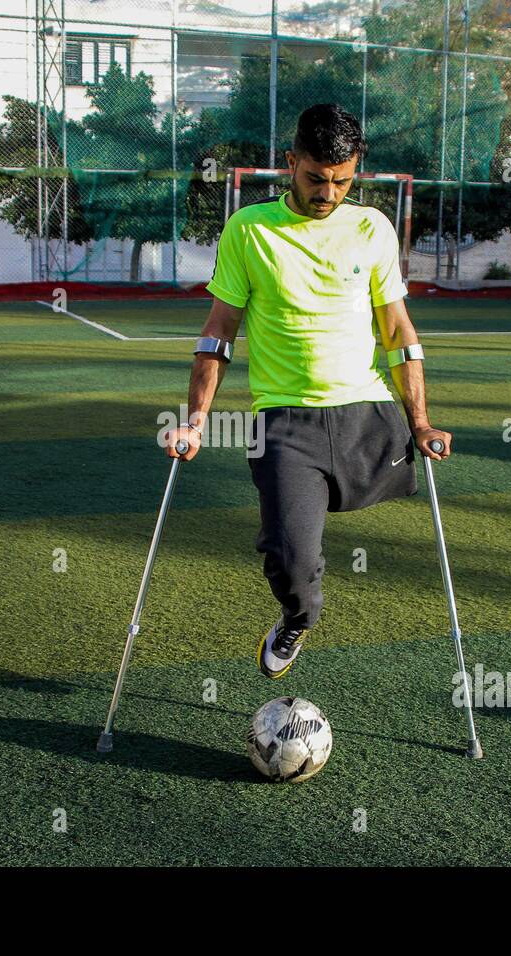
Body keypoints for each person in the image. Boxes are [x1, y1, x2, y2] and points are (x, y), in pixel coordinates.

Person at [163, 103, 451, 679]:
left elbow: (397, 332)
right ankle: (297, 617)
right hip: (285, 422)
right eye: (316, 177)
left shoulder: (372, 228)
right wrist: (194, 420)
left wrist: (420, 421)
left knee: (340, 513)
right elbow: (219, 330)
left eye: (342, 181)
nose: (328, 192)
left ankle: (348, 489)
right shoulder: (249, 229)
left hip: (365, 414)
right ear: (291, 163)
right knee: (292, 562)